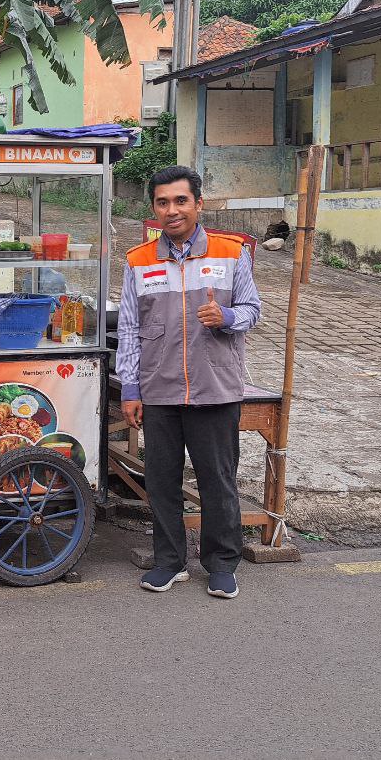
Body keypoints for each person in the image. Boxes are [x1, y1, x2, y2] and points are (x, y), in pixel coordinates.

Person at [117, 165, 262, 600]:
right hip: (158, 388)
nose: (172, 210)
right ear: (154, 209)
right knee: (160, 481)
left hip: (214, 387)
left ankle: (221, 563)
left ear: (198, 204)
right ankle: (169, 561)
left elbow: (253, 309)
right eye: (163, 202)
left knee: (217, 480)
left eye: (181, 200)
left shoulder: (230, 252)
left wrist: (227, 318)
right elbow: (128, 327)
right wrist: (129, 387)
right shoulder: (139, 260)